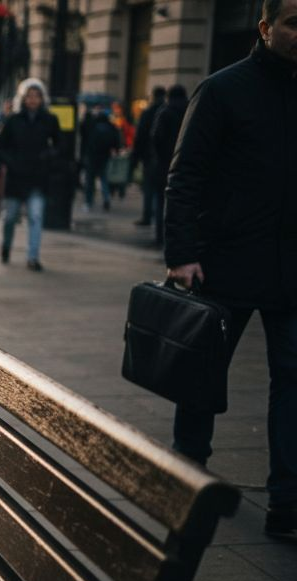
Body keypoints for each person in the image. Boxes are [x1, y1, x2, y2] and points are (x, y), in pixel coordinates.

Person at [163, 0, 297, 537]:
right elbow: (185, 174)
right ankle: (187, 478)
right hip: (225, 264)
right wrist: (182, 253)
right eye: (294, 23)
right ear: (266, 28)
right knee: (202, 378)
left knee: (293, 379)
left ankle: (287, 502)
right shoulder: (222, 89)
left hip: (291, 271)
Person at [0, 78, 60, 271]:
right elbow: (1, 148)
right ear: (23, 99)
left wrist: (48, 156)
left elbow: (60, 145)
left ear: (42, 99)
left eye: (36, 96)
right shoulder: (13, 120)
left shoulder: (49, 120)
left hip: (37, 177)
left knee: (36, 216)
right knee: (10, 217)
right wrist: (10, 162)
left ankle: (33, 257)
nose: (32, 100)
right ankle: (6, 246)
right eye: (29, 96)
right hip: (16, 177)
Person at [150, 85, 188, 247]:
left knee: (161, 201)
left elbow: (156, 137)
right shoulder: (190, 110)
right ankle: (179, 238)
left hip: (165, 163)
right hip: (186, 165)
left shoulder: (165, 112)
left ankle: (161, 236)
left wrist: (160, 157)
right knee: (183, 203)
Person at [131, 86, 167, 226]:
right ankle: (159, 218)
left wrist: (135, 157)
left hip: (150, 157)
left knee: (149, 188)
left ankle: (148, 216)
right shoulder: (170, 111)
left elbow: (140, 136)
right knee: (162, 191)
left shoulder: (148, 113)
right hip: (168, 158)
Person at [80, 104, 121, 212]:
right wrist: (116, 150)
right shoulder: (110, 125)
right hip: (105, 156)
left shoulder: (92, 123)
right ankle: (106, 198)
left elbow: (83, 132)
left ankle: (88, 202)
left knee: (90, 180)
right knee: (104, 179)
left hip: (91, 156)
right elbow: (116, 139)